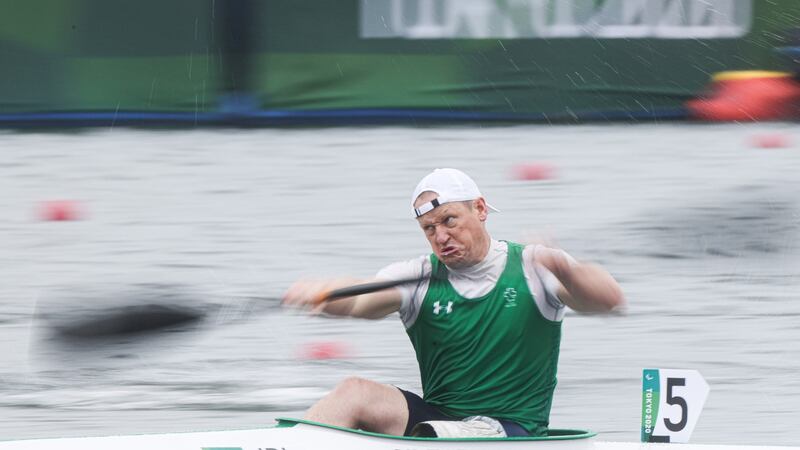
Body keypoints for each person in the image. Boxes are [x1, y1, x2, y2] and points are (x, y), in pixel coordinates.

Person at [283, 168, 624, 438]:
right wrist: (321, 294)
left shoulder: (535, 267)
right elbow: (359, 300)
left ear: (480, 209)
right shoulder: (418, 276)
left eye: (449, 220)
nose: (441, 237)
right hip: (440, 422)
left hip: (512, 432)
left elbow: (609, 300)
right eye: (429, 228)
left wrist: (568, 271)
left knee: (432, 434)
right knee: (354, 392)